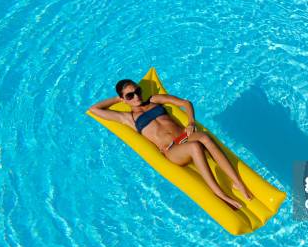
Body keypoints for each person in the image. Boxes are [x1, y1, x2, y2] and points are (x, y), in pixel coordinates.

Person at [88, 79, 254, 209]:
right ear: (123, 99)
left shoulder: (154, 100)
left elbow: (185, 103)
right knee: (195, 146)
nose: (137, 96)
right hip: (172, 150)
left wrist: (190, 122)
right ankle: (220, 194)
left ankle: (237, 183)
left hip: (183, 137)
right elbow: (95, 109)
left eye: (137, 91)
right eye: (130, 95)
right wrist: (117, 98)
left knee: (204, 137)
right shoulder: (128, 118)